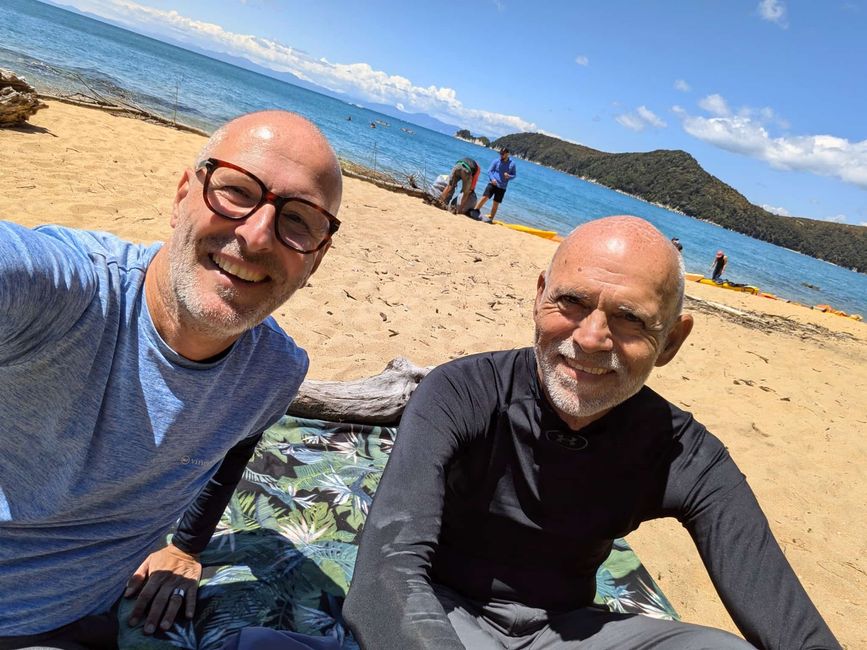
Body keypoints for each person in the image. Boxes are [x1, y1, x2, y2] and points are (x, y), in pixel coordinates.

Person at [343, 216, 840, 649]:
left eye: (630, 319)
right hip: (441, 613)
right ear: (540, 297)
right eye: (572, 302)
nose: (589, 339)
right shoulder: (463, 393)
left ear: (671, 340)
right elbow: (387, 571)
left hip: (572, 630)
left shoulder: (683, 453)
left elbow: (783, 617)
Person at [0, 110, 343, 649]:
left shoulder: (275, 371)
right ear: (185, 193)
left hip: (75, 621)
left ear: (316, 259)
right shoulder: (71, 294)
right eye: (236, 191)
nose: (255, 236)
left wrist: (186, 544)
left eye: (298, 221)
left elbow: (237, 448)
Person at [475, 148, 517, 223]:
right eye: (500, 153)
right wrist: (492, 179)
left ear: (507, 154)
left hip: (502, 187)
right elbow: (489, 171)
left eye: (502, 154)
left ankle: (490, 218)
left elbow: (514, 175)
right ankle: (475, 210)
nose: (501, 155)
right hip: (492, 183)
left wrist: (509, 176)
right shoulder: (496, 161)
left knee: (496, 203)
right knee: (485, 197)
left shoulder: (512, 164)